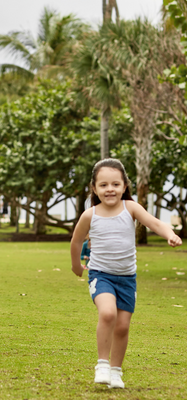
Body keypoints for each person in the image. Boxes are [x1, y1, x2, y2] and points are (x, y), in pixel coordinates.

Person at [70, 158, 182, 389]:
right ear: (94, 188)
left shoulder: (130, 208)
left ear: (124, 186)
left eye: (115, 184)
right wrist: (75, 265)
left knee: (122, 326)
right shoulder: (90, 215)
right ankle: (102, 364)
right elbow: (76, 241)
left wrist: (169, 234)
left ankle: (115, 371)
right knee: (108, 313)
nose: (109, 189)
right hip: (101, 275)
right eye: (103, 185)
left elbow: (154, 223)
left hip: (127, 279)